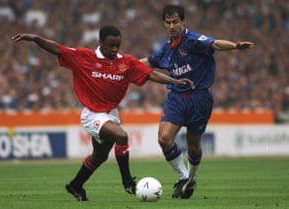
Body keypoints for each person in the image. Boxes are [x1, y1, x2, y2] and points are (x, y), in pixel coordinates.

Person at [11, 25, 194, 201]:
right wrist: (36, 39)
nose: (115, 49)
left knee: (99, 156)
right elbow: (58, 49)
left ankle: (76, 184)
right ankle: (128, 182)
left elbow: (150, 74)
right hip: (92, 114)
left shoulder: (126, 62)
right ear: (100, 42)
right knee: (122, 137)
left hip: (110, 113)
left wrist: (175, 82)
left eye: (117, 45)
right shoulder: (84, 57)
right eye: (110, 45)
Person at [140, 4, 254, 199]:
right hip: (176, 97)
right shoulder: (166, 49)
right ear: (164, 24)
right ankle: (184, 178)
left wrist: (234, 46)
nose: (172, 26)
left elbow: (215, 44)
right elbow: (148, 62)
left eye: (175, 22)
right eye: (168, 23)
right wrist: (123, 65)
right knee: (163, 138)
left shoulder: (192, 40)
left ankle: (191, 177)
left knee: (193, 146)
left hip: (199, 98)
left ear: (183, 22)